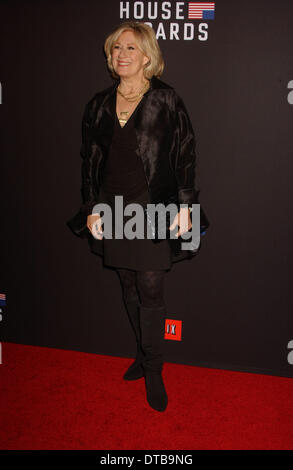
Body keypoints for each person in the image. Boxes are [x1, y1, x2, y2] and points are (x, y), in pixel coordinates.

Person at [68, 21, 208, 412]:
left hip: (153, 206)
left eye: (130, 48)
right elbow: (89, 163)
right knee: (128, 286)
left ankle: (154, 369)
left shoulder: (167, 99)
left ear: (148, 56)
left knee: (150, 288)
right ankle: (143, 354)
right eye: (116, 48)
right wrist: (91, 206)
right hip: (112, 207)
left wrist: (184, 207)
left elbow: (185, 156)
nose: (121, 55)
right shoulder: (98, 104)